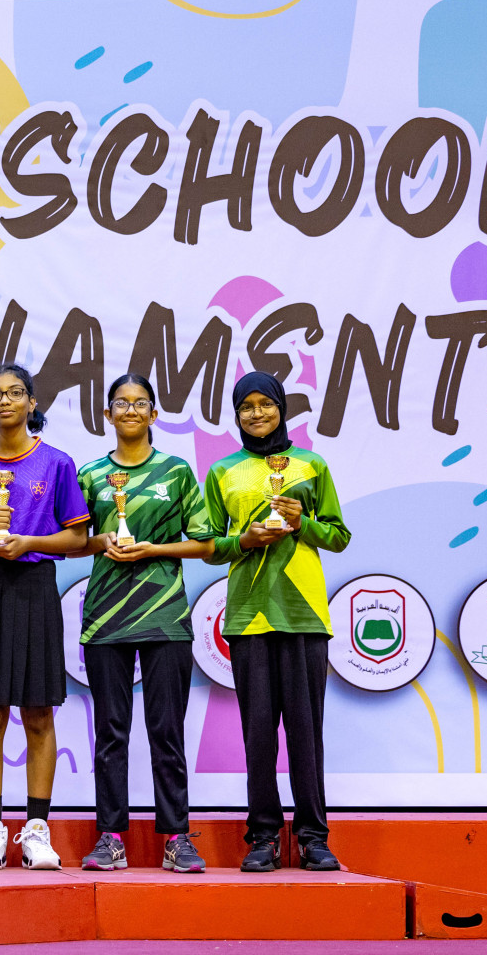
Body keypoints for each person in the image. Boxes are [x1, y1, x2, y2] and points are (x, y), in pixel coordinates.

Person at [204, 371, 351, 872]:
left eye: (266, 404)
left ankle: (313, 837)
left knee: (307, 733)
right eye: (247, 406)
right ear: (237, 413)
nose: (257, 414)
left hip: (304, 614)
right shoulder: (223, 471)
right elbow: (210, 544)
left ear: (282, 409)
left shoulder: (311, 465)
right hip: (248, 615)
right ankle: (263, 836)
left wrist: (300, 522)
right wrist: (243, 541)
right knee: (258, 733)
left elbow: (338, 536)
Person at [0, 363, 89, 871]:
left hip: (35, 587)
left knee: (38, 712)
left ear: (32, 403)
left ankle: (36, 830)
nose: (5, 402)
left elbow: (77, 539)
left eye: (15, 393)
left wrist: (28, 542)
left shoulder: (57, 464)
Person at [71, 373, 213, 873]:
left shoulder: (176, 472)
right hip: (106, 619)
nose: (130, 411)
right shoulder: (89, 474)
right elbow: (75, 540)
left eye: (140, 403)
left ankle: (177, 837)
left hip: (165, 618)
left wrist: (153, 549)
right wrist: (101, 541)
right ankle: (110, 837)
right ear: (106, 415)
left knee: (166, 730)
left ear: (154, 415)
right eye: (120, 404)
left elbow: (206, 543)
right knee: (110, 731)